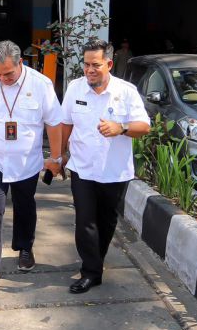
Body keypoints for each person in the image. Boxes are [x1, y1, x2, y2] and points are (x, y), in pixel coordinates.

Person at [54, 39, 150, 293]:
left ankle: (95, 261)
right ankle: (90, 272)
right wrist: (60, 155)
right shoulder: (75, 89)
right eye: (86, 65)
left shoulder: (126, 91)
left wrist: (121, 128)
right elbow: (66, 123)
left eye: (95, 65)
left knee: (106, 222)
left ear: (109, 64)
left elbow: (144, 126)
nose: (89, 70)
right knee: (85, 221)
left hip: (114, 171)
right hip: (82, 167)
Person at [0, 40, 62, 294]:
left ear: (21, 63)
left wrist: (56, 158)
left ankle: (24, 247)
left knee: (24, 204)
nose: (2, 78)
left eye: (8, 73)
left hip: (26, 161)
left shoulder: (40, 84)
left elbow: (54, 123)